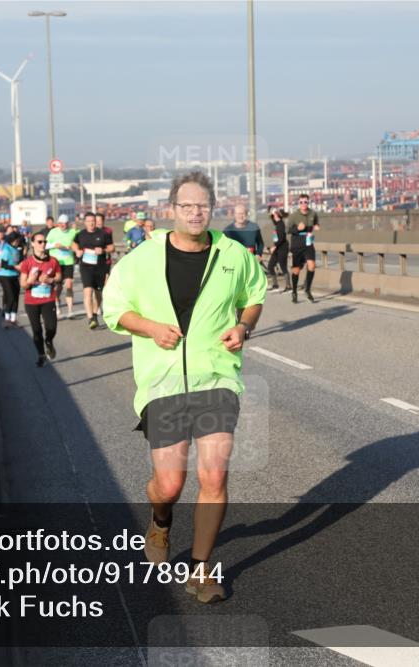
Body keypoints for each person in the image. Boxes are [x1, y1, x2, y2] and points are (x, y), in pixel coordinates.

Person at [102, 171, 265, 604]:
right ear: (171, 210)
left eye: (202, 206)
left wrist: (243, 327)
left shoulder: (233, 254)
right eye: (186, 206)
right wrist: (151, 327)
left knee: (213, 475)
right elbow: (114, 309)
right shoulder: (140, 260)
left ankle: (202, 572)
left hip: (217, 378)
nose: (195, 213)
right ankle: (160, 520)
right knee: (170, 485)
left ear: (212, 209)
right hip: (163, 383)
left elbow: (254, 295)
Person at [19, 230, 63, 367]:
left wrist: (50, 279)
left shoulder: (53, 261)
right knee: (36, 331)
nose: (43, 244)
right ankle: (41, 354)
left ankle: (49, 341)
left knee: (51, 327)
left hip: (48, 299)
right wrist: (31, 280)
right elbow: (23, 285)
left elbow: (59, 277)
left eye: (44, 242)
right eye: (39, 242)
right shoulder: (27, 263)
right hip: (31, 302)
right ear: (33, 244)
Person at [73, 212, 113, 329]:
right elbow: (74, 244)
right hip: (85, 267)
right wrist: (77, 251)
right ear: (84, 222)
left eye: (93, 221)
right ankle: (90, 318)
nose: (91, 223)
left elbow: (112, 247)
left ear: (96, 222)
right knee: (88, 290)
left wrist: (104, 250)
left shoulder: (103, 234)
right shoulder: (80, 234)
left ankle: (95, 313)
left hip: (100, 266)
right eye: (88, 221)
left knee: (98, 293)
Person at [287, 193, 320, 303]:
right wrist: (297, 228)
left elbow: (316, 223)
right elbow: (287, 230)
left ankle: (308, 289)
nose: (303, 204)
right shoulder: (294, 216)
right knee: (296, 270)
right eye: (301, 202)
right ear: (298, 203)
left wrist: (316, 226)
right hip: (297, 244)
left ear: (308, 202)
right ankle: (294, 292)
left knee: (312, 265)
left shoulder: (312, 213)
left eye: (305, 202)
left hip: (308, 243)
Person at [46, 214, 78, 319]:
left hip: (68, 262)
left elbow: (79, 243)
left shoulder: (73, 232)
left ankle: (70, 311)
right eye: (61, 223)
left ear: (68, 223)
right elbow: (45, 245)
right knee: (57, 286)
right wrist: (54, 245)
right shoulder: (53, 232)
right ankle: (57, 303)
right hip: (56, 262)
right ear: (58, 224)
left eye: (65, 223)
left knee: (69, 285)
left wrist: (74, 248)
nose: (63, 225)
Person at [266, 207, 289, 292]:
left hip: (282, 248)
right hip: (277, 248)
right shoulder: (276, 224)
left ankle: (288, 286)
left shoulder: (281, 224)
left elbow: (282, 238)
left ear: (277, 214)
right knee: (270, 266)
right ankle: (275, 284)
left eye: (275, 213)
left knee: (283, 267)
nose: (273, 215)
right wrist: (270, 211)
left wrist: (274, 246)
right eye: (273, 214)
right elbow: (271, 217)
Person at [94, 212, 115, 284]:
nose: (99, 223)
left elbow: (111, 246)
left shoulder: (108, 231)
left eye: (100, 220)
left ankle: (105, 293)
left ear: (103, 221)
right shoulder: (90, 232)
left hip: (106, 259)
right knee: (95, 281)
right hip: (93, 259)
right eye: (97, 221)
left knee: (106, 278)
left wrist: (104, 250)